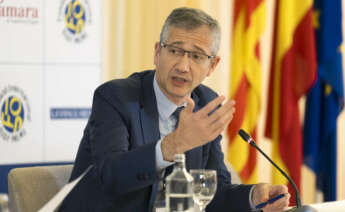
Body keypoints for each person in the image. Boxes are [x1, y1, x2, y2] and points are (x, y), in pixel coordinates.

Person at [59, 7, 290, 212]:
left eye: (197, 56)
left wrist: (252, 196)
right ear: (158, 52)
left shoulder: (206, 104)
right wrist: (173, 146)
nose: (182, 66)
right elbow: (110, 176)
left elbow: (211, 192)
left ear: (212, 65)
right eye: (175, 51)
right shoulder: (115, 98)